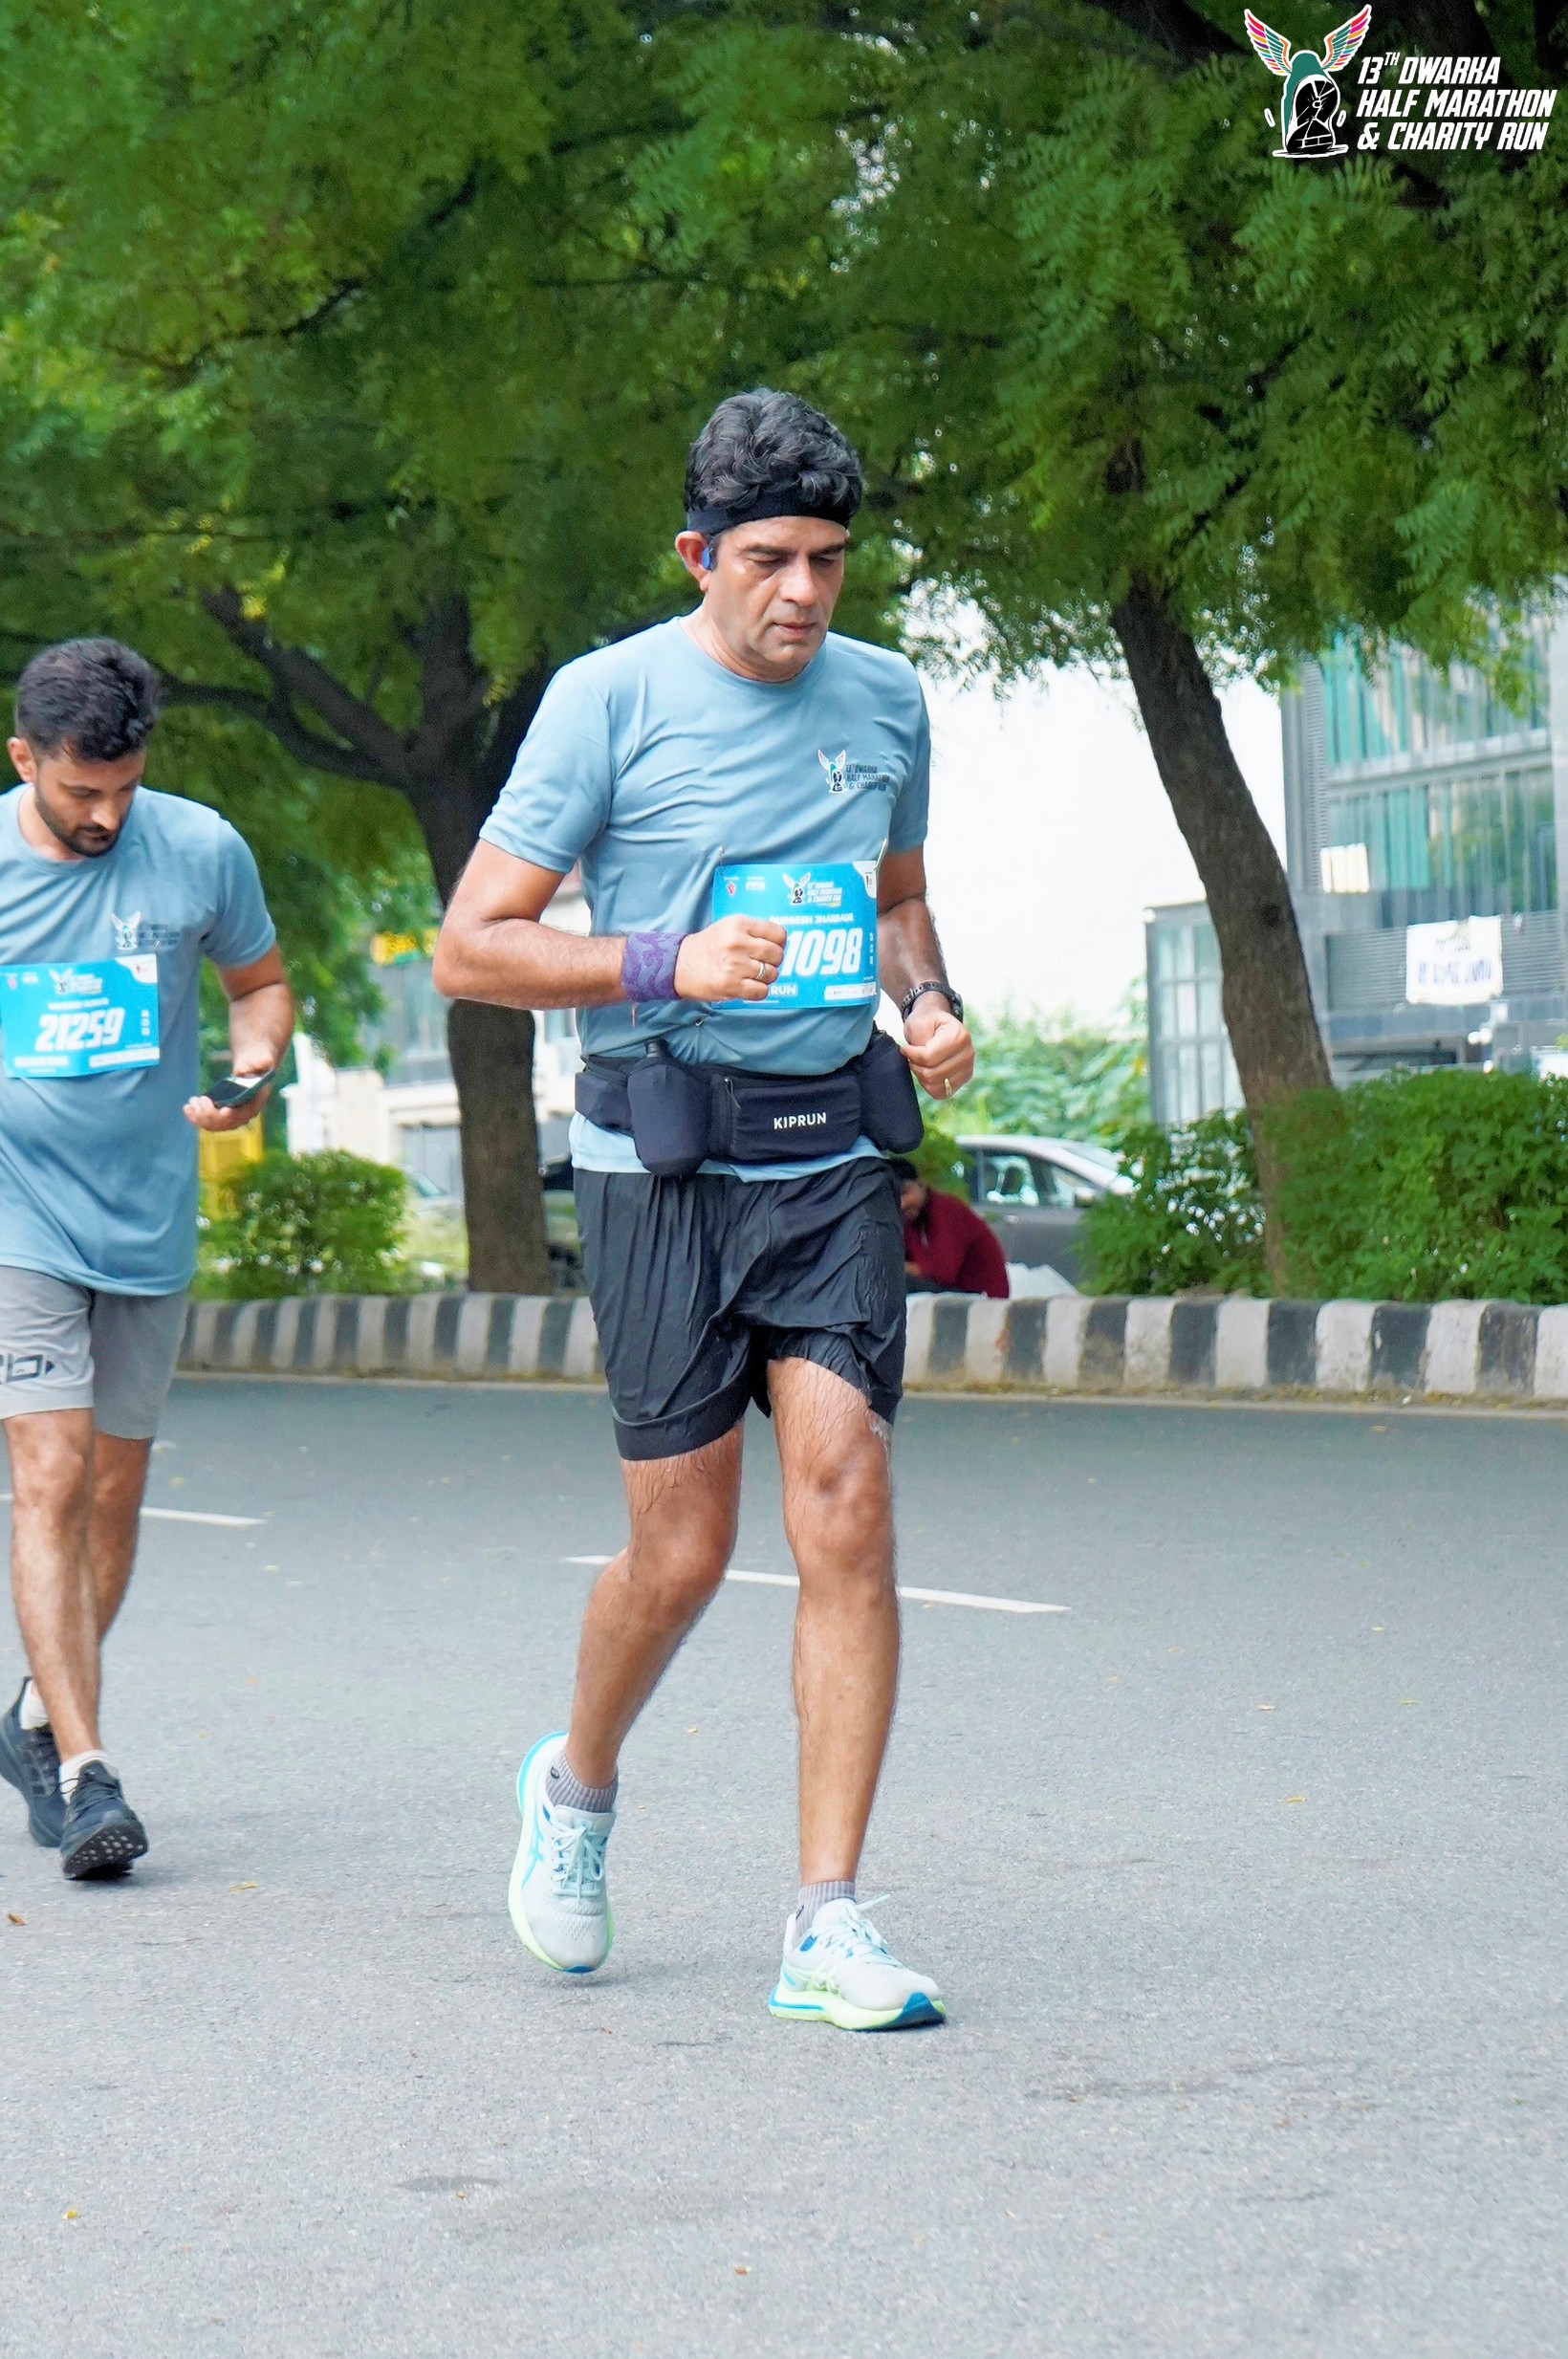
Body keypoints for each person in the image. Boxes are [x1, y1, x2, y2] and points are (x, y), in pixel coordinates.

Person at [434, 388, 975, 2030]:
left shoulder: (887, 699)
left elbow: (897, 896)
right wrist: (665, 959)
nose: (803, 591)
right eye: (768, 559)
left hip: (830, 1160)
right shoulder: (606, 701)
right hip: (662, 1167)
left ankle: (827, 1919)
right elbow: (473, 945)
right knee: (681, 1550)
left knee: (848, 1496)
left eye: (828, 560)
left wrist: (929, 998)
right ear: (698, 554)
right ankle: (576, 1783)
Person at [0, 639, 292, 1879]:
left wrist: (251, 1067)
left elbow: (261, 985)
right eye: (82, 791)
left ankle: (34, 1715)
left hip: (147, 1216)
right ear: (24, 759)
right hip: (16, 1212)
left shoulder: (202, 848)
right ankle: (87, 1769)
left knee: (114, 1493)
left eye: (125, 786)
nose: (108, 814)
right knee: (51, 1472)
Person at [894, 1158, 1010, 1299]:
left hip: (982, 1298)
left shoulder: (946, 1209)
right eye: (893, 1198)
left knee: (900, 1282)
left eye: (904, 1193)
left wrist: (899, 1266)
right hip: (956, 1292)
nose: (902, 1204)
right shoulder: (911, 1219)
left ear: (921, 1185)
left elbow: (943, 1271)